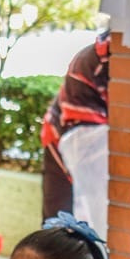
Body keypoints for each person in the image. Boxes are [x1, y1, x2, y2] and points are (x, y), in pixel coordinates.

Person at [40, 30, 110, 232]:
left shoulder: (110, 57)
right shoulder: (90, 65)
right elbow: (94, 178)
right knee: (59, 234)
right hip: (62, 148)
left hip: (77, 142)